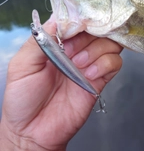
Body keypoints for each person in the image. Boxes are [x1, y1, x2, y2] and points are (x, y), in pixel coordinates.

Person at [0, 15, 123, 150]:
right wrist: (19, 138)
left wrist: (18, 139)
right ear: (39, 38)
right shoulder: (43, 40)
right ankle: (94, 94)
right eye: (36, 34)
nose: (37, 32)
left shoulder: (44, 39)